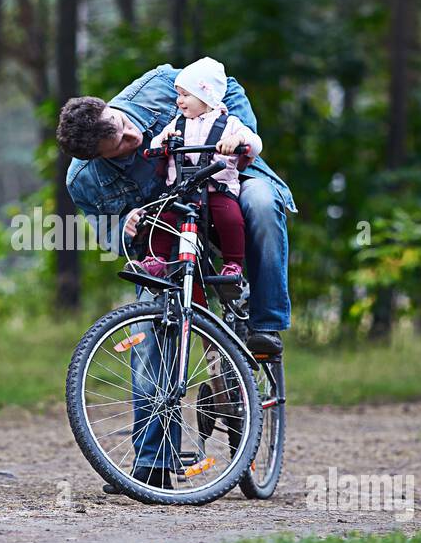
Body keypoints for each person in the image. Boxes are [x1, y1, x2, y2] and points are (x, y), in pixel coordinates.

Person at [56, 60, 296, 491]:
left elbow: (229, 84)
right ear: (98, 156)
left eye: (122, 125)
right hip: (168, 234)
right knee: (151, 327)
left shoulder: (159, 86)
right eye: (120, 145)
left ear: (108, 108)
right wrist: (127, 219)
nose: (131, 136)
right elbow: (109, 232)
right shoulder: (85, 180)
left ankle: (265, 323)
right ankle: (152, 461)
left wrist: (238, 134)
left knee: (262, 204)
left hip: (229, 187)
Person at [131, 57, 261, 283]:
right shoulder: (176, 124)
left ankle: (232, 265)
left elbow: (255, 144)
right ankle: (156, 262)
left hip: (217, 190)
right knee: (163, 217)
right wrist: (164, 141)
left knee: (230, 217)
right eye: (178, 94)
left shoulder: (230, 124)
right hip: (182, 190)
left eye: (185, 94)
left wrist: (237, 139)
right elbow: (154, 146)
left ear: (206, 95)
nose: (179, 101)